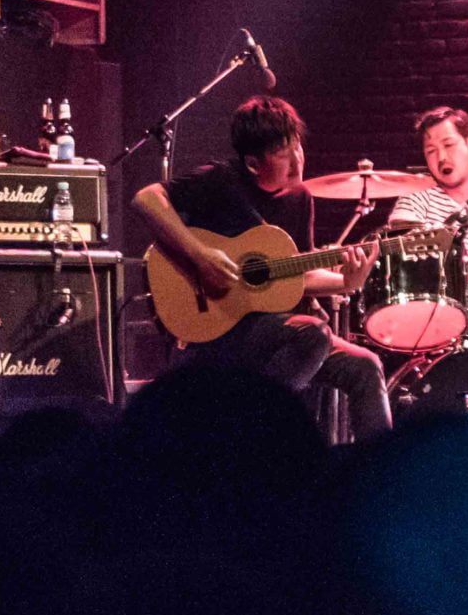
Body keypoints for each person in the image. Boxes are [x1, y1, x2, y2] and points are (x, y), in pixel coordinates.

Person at [131, 95, 393, 439]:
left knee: (365, 366)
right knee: (312, 333)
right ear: (253, 163)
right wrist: (201, 256)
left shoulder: (300, 197)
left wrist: (346, 282)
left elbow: (298, 271)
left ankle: (379, 466)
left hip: (279, 334)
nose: (297, 160)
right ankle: (253, 436)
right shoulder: (221, 180)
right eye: (284, 154)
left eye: (298, 147)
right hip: (219, 331)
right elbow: (146, 199)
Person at [389, 106, 468, 260]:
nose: (441, 157)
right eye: (431, 151)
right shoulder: (416, 192)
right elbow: (400, 234)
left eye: (448, 145)